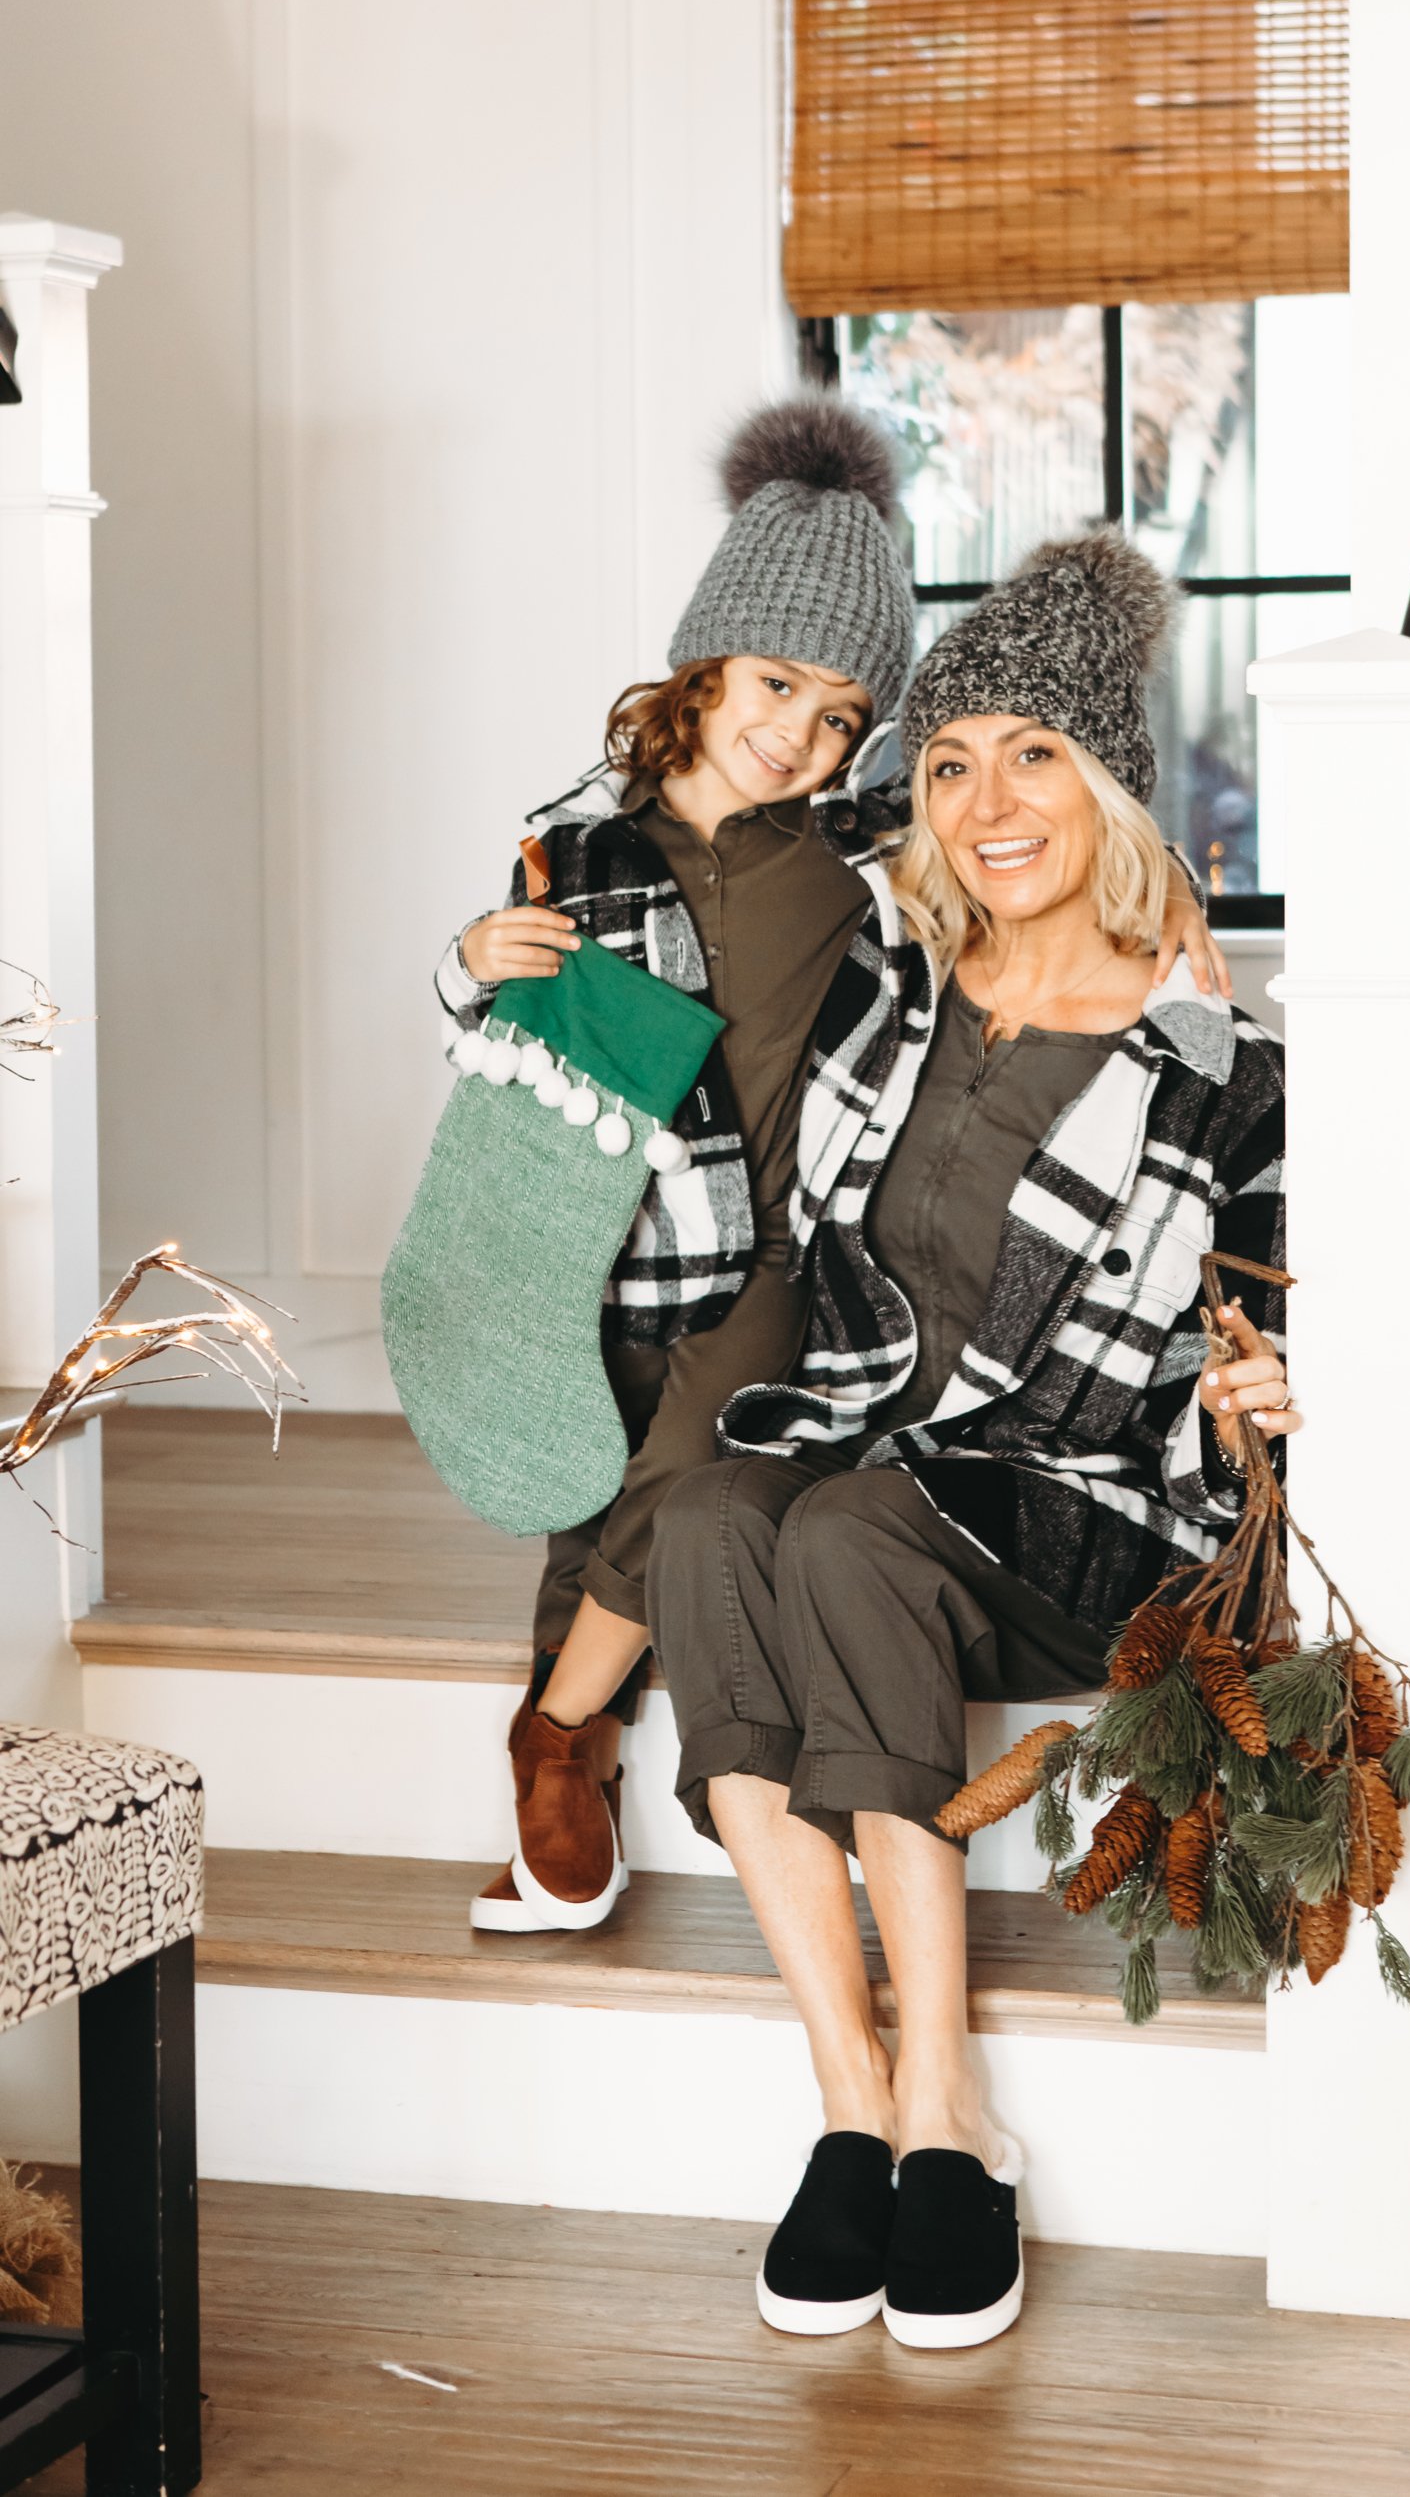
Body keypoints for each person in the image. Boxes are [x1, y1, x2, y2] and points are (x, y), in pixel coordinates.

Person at [438, 405, 1227, 1935]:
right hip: (609, 1233)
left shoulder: (860, 846)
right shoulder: (575, 849)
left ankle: (565, 1723)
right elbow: (507, 1039)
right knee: (589, 1485)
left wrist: (1171, 892)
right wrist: (465, 971)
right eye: (777, 685)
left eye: (837, 710)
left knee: (707, 1443)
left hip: (789, 1244)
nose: (797, 732)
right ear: (704, 662)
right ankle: (560, 1773)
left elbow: (1025, 819)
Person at [646, 526, 1301, 2350]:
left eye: (1034, 755)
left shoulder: (1216, 1064)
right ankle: (848, 2098)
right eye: (946, 761)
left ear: (1105, 784)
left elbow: (1282, 1312)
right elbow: (704, 805)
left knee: (846, 1531)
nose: (989, 799)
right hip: (873, 1447)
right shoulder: (888, 994)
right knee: (711, 1516)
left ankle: (949, 2115)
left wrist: (1260, 1383)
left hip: (1084, 1517)